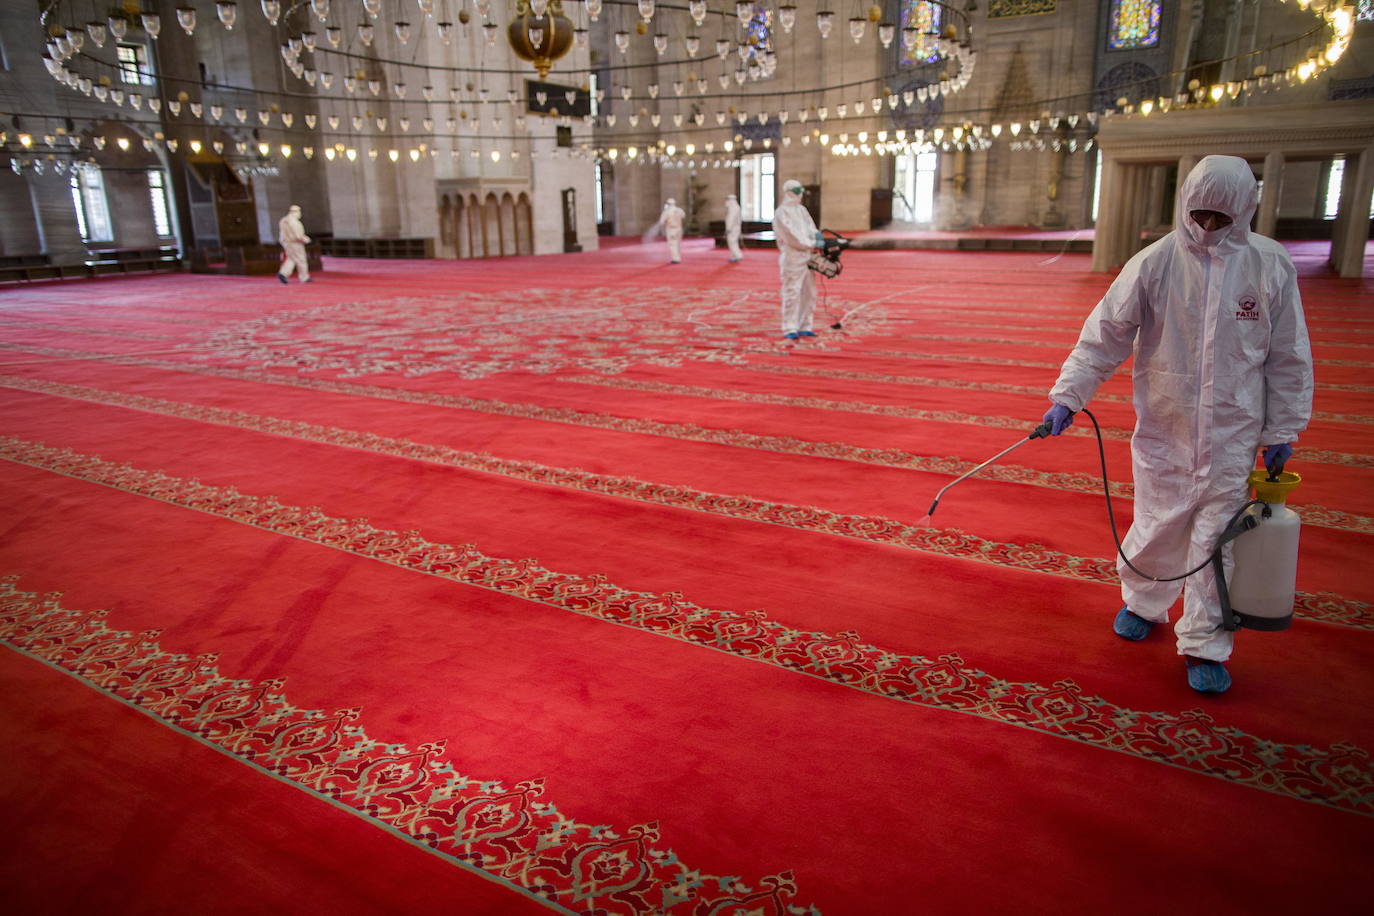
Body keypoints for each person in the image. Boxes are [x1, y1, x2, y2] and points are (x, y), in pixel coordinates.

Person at [1041, 154, 1313, 694]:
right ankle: (1144, 602)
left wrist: (1282, 428)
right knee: (1157, 524)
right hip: (1165, 427)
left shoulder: (1269, 265)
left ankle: (1206, 643)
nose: (1209, 229)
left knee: (1218, 543)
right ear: (1185, 205)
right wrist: (1068, 397)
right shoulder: (1154, 263)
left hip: (1234, 433)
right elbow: (1104, 337)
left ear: (1245, 211)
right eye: (1200, 215)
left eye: (1221, 218)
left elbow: (1288, 355)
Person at [772, 179, 824, 340]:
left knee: (810, 292)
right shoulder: (781, 213)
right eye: (797, 191)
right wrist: (811, 243)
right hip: (792, 258)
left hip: (808, 256)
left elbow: (811, 227)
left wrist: (818, 237)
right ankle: (789, 327)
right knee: (792, 292)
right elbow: (791, 236)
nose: (800, 194)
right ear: (790, 192)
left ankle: (805, 325)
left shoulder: (801, 210)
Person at [277, 204, 312, 284]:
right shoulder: (295, 222)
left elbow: (282, 234)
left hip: (286, 243)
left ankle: (283, 273)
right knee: (301, 260)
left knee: (291, 258)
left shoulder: (283, 220)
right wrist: (307, 240)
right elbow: (298, 235)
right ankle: (304, 277)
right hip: (295, 243)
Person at [657, 198, 686, 264]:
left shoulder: (666, 211)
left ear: (667, 204)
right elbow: (683, 216)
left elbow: (661, 222)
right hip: (679, 229)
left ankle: (675, 259)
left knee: (673, 244)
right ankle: (678, 257)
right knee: (678, 244)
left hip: (671, 229)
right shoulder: (679, 210)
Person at [724, 193, 743, 262]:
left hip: (732, 228)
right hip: (735, 228)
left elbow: (730, 219)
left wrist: (728, 228)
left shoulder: (733, 208)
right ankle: (735, 255)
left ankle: (737, 255)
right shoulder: (736, 207)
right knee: (734, 242)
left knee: (732, 242)